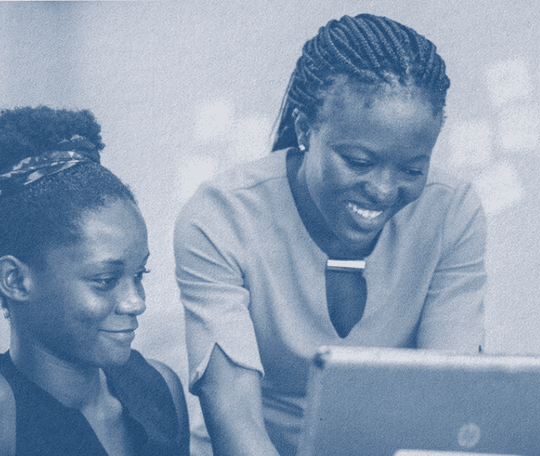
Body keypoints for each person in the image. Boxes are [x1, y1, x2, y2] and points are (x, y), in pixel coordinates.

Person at [174, 13, 486, 456]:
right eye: (358, 161)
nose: (382, 189)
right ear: (305, 130)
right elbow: (235, 418)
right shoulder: (221, 216)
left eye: (412, 169)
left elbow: (448, 398)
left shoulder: (452, 210)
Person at [0, 106, 189, 456]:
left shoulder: (159, 389)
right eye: (105, 280)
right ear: (16, 280)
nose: (136, 302)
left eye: (139, 274)